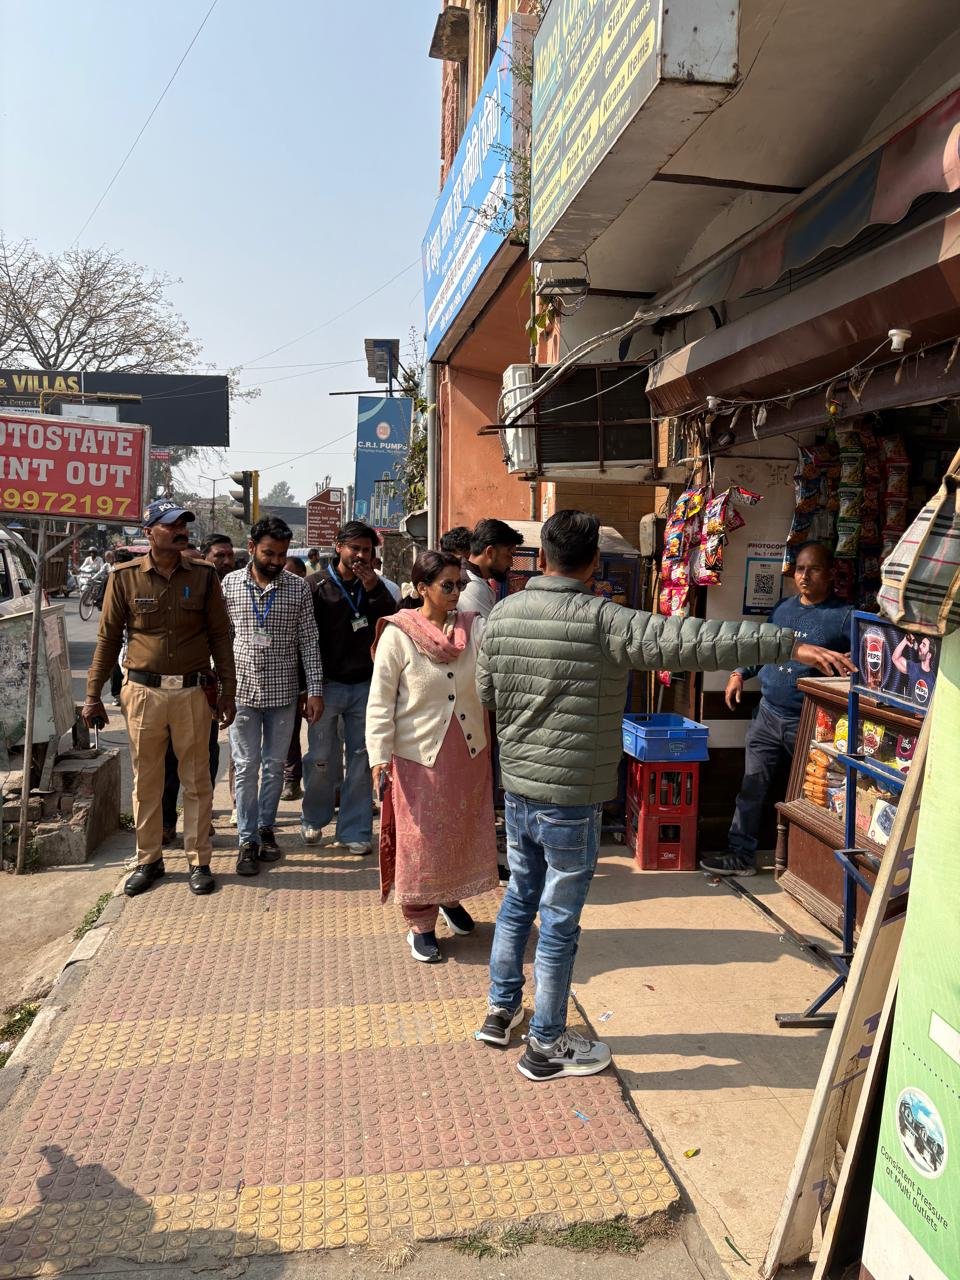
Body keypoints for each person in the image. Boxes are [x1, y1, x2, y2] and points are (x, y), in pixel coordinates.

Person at [475, 511, 855, 1080]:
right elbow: (693, 640)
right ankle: (547, 1044)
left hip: (519, 789)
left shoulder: (502, 615)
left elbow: (485, 693)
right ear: (593, 562)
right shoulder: (603, 619)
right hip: (571, 797)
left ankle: (500, 1011)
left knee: (519, 900)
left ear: (544, 557)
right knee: (557, 921)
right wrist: (787, 645)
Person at [83, 499, 236, 897]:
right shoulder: (125, 577)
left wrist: (228, 691)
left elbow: (220, 635)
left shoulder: (203, 576)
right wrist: (92, 694)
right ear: (149, 531)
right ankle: (149, 859)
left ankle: (199, 861)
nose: (181, 531)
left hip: (192, 692)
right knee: (147, 781)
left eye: (183, 524)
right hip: (143, 693)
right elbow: (107, 639)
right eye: (171, 525)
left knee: (197, 780)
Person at [367, 551, 498, 963]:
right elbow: (380, 702)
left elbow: (497, 664)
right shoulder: (398, 633)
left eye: (460, 584)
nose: (457, 592)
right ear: (422, 588)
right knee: (421, 840)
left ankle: (449, 898)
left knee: (460, 832)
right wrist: (378, 757)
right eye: (448, 585)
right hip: (418, 758)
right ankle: (420, 923)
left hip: (468, 754)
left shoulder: (473, 628)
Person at [700, 541, 854, 877]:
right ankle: (741, 855)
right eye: (800, 569)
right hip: (768, 715)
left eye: (814, 569)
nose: (804, 576)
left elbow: (860, 666)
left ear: (830, 574)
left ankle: (811, 866)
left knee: (813, 795)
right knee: (751, 788)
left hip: (811, 724)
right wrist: (739, 673)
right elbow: (763, 648)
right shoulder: (783, 609)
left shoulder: (845, 617)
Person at [222, 517, 324, 874]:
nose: (276, 561)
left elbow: (309, 642)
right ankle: (247, 839)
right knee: (246, 767)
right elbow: (221, 638)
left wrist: (314, 690)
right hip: (242, 692)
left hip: (283, 694)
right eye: (269, 553)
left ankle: (266, 829)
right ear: (252, 548)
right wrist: (219, 686)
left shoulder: (298, 589)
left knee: (274, 766)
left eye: (282, 554)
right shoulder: (229, 585)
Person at [301, 521, 396, 852]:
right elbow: (304, 641)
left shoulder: (377, 586)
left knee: (361, 758)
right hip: (325, 686)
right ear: (338, 546)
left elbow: (389, 625)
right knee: (320, 757)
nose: (360, 555)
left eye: (366, 550)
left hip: (366, 686)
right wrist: (308, 689)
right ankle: (314, 818)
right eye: (354, 548)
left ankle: (354, 831)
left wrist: (373, 589)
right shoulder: (314, 586)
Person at [161, 535, 236, 843]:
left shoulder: (228, 591)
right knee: (167, 760)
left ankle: (201, 821)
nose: (225, 562)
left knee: (204, 758)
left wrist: (225, 688)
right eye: (219, 556)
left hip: (205, 689)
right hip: (166, 691)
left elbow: (225, 642)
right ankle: (165, 823)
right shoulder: (169, 593)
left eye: (229, 556)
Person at [459, 519, 524, 619]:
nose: (511, 563)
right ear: (490, 552)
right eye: (509, 555)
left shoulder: (474, 579)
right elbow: (488, 629)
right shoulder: (472, 587)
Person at [281, 555, 308, 800]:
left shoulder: (304, 596)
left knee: (292, 733)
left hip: (300, 681)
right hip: (274, 678)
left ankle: (292, 779)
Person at [891, 633, 937, 706]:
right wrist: (905, 641)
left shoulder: (934, 681)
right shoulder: (913, 667)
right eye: (921, 643)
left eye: (924, 645)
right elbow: (895, 658)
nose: (920, 646)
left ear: (929, 655)